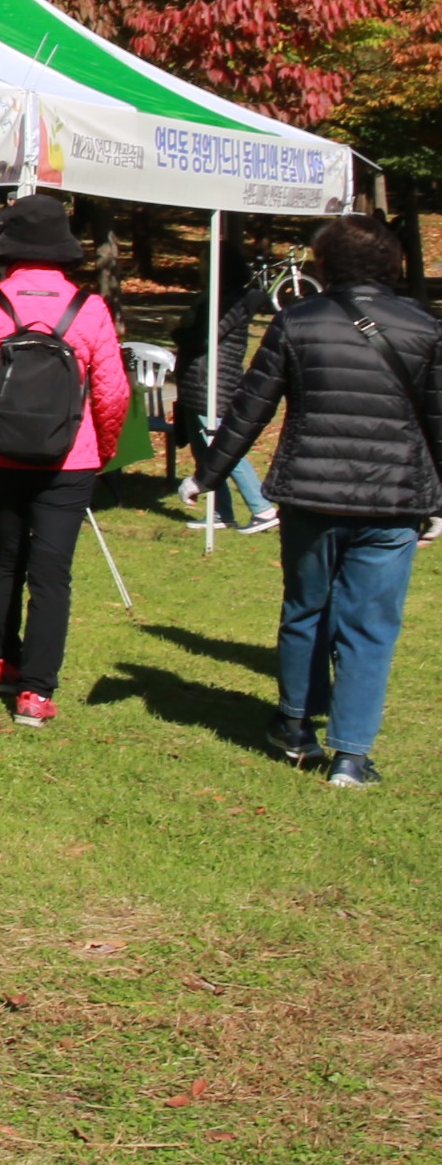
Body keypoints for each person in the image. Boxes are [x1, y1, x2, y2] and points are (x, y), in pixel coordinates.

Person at [192, 214, 442, 788]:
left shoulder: (295, 322)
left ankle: (296, 725)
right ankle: (350, 755)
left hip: (310, 494)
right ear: (393, 265)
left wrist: (209, 475)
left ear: (325, 266)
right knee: (371, 626)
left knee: (305, 610)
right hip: (392, 500)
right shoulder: (424, 327)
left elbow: (249, 407)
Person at [0, 194, 129, 731]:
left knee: (5, 558)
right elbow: (114, 393)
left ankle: (4, 660)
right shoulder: (89, 308)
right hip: (70, 458)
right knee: (52, 574)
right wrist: (105, 448)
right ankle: (36, 692)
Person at [173, 239, 275, 531]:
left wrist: (177, 330)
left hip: (213, 382)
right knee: (202, 450)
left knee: (221, 447)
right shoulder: (211, 296)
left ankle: (262, 509)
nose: (200, 265)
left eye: (205, 259)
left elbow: (205, 338)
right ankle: (222, 511)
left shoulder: (231, 300)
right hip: (196, 381)